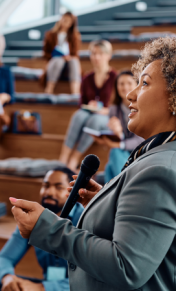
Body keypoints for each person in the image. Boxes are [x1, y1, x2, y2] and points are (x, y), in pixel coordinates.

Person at [10, 37, 176, 291]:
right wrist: (107, 206)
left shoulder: (162, 170)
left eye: (144, 83)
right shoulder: (173, 157)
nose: (130, 95)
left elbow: (126, 267)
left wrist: (47, 229)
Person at [0, 167, 84, 291]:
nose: (49, 192)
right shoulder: (32, 220)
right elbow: (5, 258)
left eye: (58, 187)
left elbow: (90, 282)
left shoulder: (85, 220)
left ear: (72, 193)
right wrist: (7, 278)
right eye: (46, 185)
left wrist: (42, 288)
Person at [59, 40, 117, 171]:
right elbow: (81, 103)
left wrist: (106, 110)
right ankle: (63, 158)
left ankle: (74, 158)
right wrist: (89, 105)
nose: (96, 57)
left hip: (106, 116)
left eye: (101, 53)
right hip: (89, 113)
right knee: (78, 116)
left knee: (95, 120)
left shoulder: (115, 77)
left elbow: (119, 105)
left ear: (108, 55)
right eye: (94, 53)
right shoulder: (87, 78)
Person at [92, 71, 143, 183]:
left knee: (114, 153)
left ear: (136, 85)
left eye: (129, 83)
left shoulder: (142, 108)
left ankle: (124, 187)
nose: (125, 87)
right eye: (121, 84)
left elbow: (141, 140)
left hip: (138, 153)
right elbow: (118, 138)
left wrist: (118, 144)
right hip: (122, 154)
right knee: (109, 167)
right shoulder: (114, 109)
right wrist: (117, 134)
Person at [43, 12, 81, 95]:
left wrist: (68, 57)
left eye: (68, 21)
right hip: (55, 61)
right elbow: (46, 53)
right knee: (59, 60)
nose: (65, 22)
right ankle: (49, 89)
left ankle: (75, 92)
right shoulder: (50, 35)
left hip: (69, 63)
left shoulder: (75, 36)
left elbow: (75, 54)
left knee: (74, 61)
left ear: (71, 24)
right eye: (63, 19)